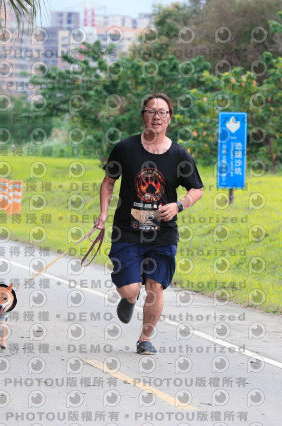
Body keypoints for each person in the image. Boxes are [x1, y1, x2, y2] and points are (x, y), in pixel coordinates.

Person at [95, 93, 204, 355]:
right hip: (128, 231)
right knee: (129, 288)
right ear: (143, 115)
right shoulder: (125, 148)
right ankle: (130, 297)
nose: (157, 116)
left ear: (170, 118)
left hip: (162, 233)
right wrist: (103, 215)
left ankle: (145, 339)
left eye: (162, 112)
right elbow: (109, 182)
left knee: (155, 288)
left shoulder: (179, 155)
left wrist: (178, 205)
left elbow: (197, 189)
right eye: (152, 111)